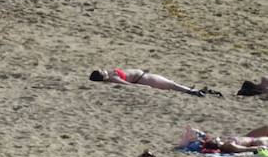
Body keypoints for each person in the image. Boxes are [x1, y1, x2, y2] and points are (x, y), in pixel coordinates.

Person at [90, 68, 218, 97]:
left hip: (144, 76)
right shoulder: (112, 78)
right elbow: (127, 85)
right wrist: (144, 87)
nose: (104, 70)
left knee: (171, 84)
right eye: (102, 71)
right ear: (102, 76)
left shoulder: (111, 75)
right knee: (171, 85)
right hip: (143, 79)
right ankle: (192, 91)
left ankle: (191, 90)